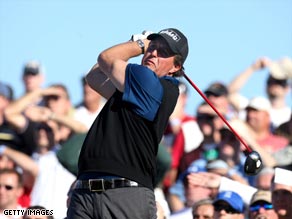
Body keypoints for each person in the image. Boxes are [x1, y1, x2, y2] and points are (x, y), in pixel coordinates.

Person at [67, 27, 189, 219]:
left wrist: (139, 45)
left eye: (163, 52)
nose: (153, 53)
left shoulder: (150, 83)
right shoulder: (136, 87)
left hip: (124, 196)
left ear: (175, 68)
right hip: (87, 192)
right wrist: (135, 45)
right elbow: (95, 77)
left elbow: (106, 58)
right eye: (153, 47)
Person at [228, 57, 291, 129]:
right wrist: (253, 68)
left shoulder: (289, 116)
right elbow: (230, 93)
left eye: (279, 82)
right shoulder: (252, 108)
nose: (274, 85)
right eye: (270, 81)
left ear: (288, 87)